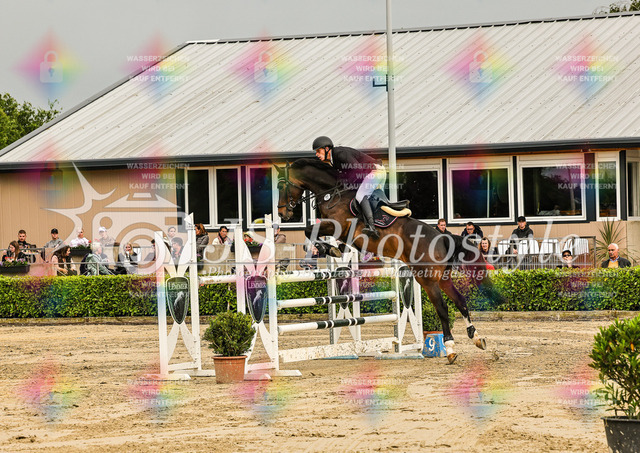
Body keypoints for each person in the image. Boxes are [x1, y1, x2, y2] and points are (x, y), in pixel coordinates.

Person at [313, 136, 385, 239]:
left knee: (361, 196)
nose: (316, 154)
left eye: (318, 151)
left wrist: (346, 184)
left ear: (327, 149)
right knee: (369, 199)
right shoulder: (333, 160)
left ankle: (371, 227)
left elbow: (357, 170)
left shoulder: (340, 154)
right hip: (371, 172)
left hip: (374, 171)